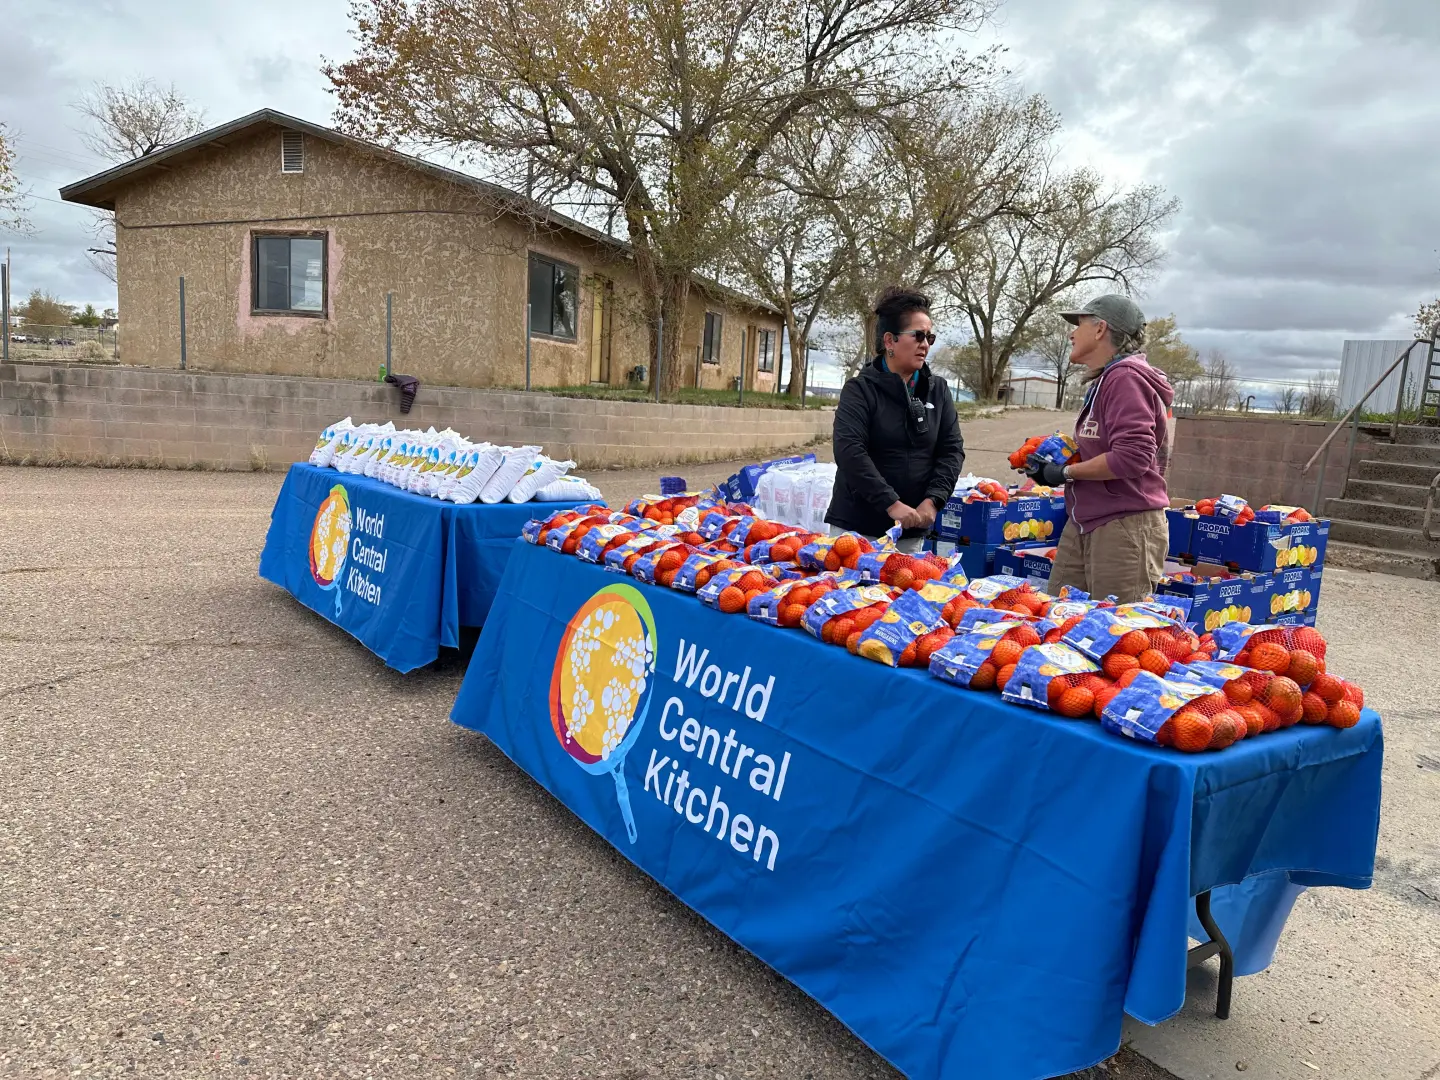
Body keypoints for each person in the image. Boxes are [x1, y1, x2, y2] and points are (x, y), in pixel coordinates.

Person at [1028, 294, 1175, 603]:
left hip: (1124, 525)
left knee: (1114, 635)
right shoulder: (1108, 379)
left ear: (1100, 330)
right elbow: (1106, 450)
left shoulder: (1125, 378)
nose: (1071, 333)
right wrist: (1053, 460)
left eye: (1078, 324)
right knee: (1059, 617)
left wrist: (1064, 472)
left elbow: (1132, 458)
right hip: (1088, 519)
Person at [826, 287, 965, 553]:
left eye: (930, 337)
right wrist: (891, 504)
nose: (925, 344)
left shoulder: (938, 389)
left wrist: (934, 501)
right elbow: (850, 452)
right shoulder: (860, 390)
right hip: (857, 533)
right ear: (889, 341)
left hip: (910, 532)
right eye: (918, 335)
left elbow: (952, 451)